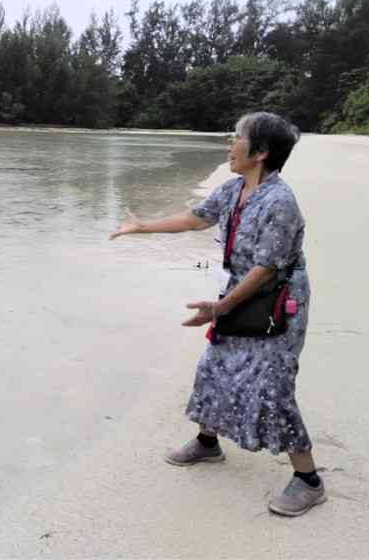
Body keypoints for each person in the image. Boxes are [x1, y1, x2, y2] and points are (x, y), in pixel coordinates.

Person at [109, 112, 324, 517]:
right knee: (215, 366)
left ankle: (308, 480)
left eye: (237, 138)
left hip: (277, 301)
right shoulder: (234, 188)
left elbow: (267, 270)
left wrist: (220, 308)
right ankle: (208, 443)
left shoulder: (280, 202)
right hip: (241, 291)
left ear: (259, 153)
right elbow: (196, 218)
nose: (230, 144)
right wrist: (143, 227)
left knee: (272, 385)